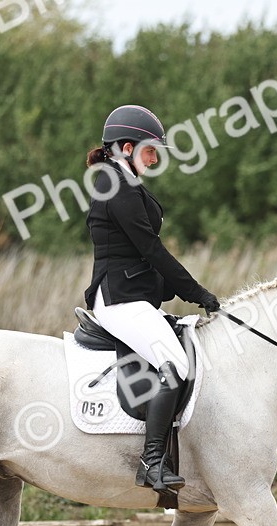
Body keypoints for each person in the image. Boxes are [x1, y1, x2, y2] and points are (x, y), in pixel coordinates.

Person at [83, 104, 221, 495]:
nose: (155, 158)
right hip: (119, 300)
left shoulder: (124, 182)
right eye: (149, 150)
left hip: (135, 296)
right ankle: (153, 462)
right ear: (126, 148)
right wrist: (196, 293)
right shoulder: (114, 186)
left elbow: (141, 253)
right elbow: (151, 249)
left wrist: (173, 289)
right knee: (173, 364)